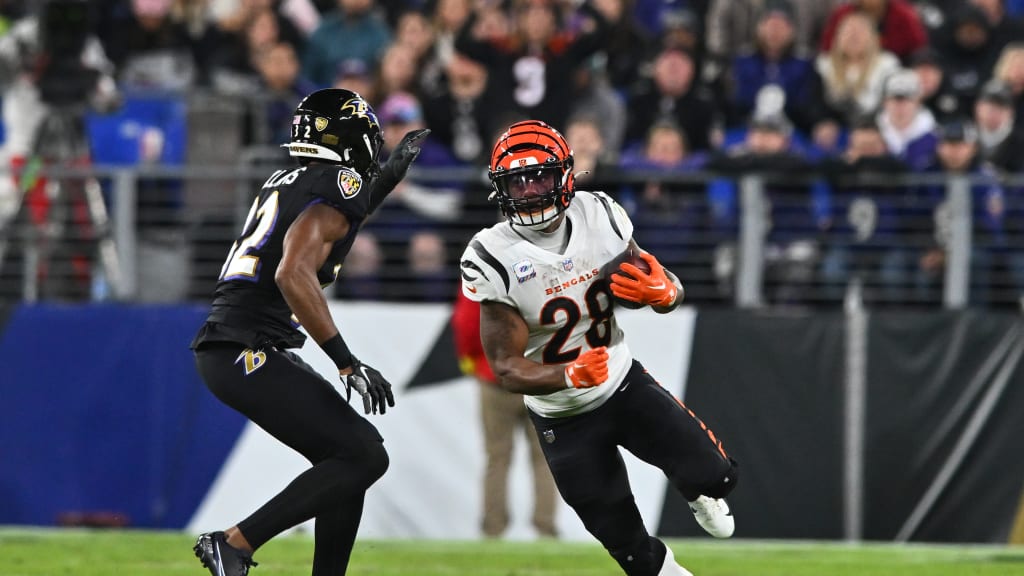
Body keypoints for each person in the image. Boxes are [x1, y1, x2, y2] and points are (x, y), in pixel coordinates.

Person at [459, 120, 738, 576]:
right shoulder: (493, 254)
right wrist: (567, 375)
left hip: (623, 383)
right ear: (500, 188)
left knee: (721, 477)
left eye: (540, 177)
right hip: (562, 418)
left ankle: (695, 488)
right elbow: (507, 368)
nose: (529, 191)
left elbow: (661, 284)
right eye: (518, 181)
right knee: (631, 552)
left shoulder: (600, 216)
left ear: (566, 176)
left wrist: (666, 293)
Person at [189, 88, 429, 576]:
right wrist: (346, 360)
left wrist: (385, 180)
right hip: (244, 347)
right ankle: (234, 543)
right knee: (363, 457)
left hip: (236, 344)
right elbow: (292, 272)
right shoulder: (335, 181)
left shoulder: (294, 178)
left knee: (349, 457)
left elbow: (331, 224)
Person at [451, 288, 559, 538]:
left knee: (497, 457)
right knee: (544, 458)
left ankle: (493, 528)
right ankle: (546, 528)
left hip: (495, 380)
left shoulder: (482, 273)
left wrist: (471, 360)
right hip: (537, 378)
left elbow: (466, 324)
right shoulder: (537, 271)